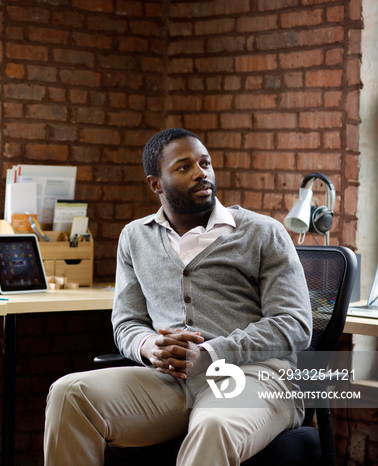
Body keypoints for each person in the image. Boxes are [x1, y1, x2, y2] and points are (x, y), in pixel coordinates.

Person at [43, 128, 312, 465]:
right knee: (70, 394)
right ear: (155, 183)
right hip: (169, 381)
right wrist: (149, 347)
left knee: (213, 425)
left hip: (255, 377)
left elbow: (294, 324)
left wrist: (211, 352)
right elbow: (127, 321)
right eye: (184, 167)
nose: (202, 173)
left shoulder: (262, 232)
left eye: (205, 163)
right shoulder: (135, 237)